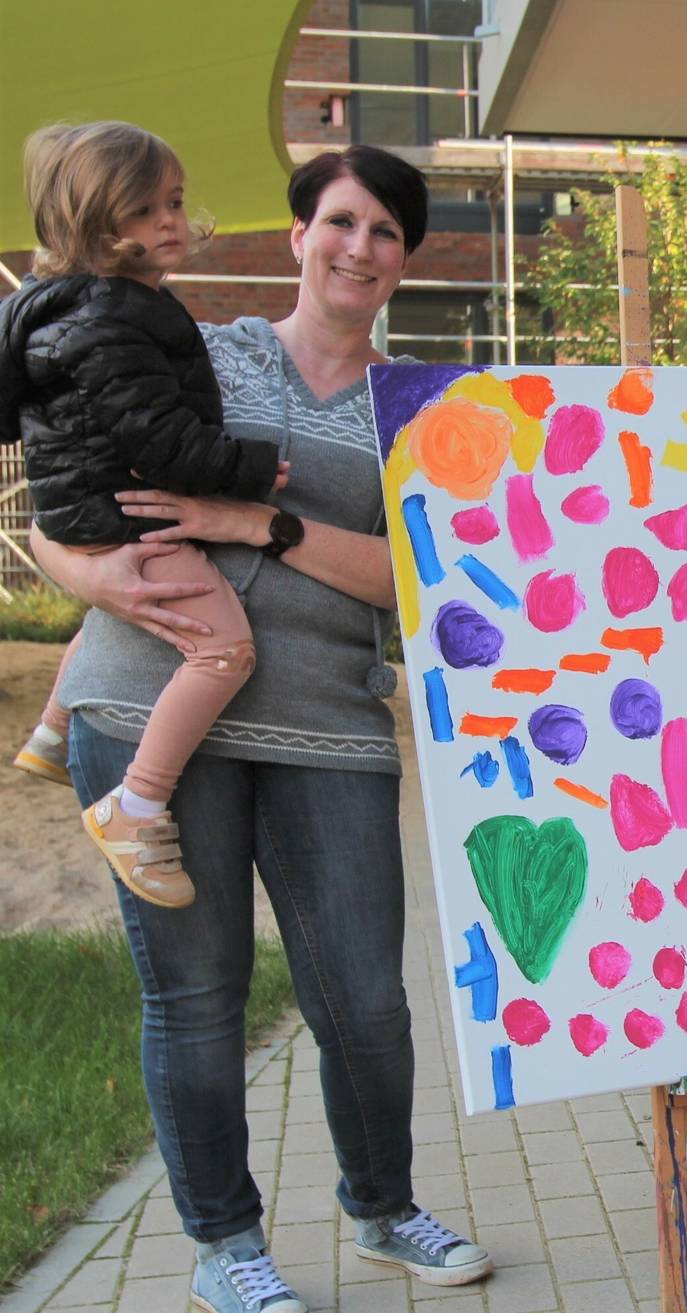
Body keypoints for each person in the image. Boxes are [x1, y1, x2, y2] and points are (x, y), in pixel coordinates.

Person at [27, 145, 491, 1313]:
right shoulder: (200, 346)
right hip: (146, 703)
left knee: (366, 1001)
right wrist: (81, 572)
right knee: (197, 995)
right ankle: (225, 1243)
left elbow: (418, 582)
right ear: (298, 234)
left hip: (329, 726)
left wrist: (256, 520)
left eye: (386, 231)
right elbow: (59, 486)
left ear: (404, 258)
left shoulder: (418, 408)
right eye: (340, 220)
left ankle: (384, 1206)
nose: (359, 247)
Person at [2, 122, 288, 908]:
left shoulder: (69, 310)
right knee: (223, 650)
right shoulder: (111, 321)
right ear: (100, 226)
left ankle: (55, 727)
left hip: (86, 500)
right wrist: (251, 470)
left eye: (175, 202)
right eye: (148, 210)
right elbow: (157, 438)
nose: (172, 221)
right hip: (125, 507)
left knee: (130, 607)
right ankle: (135, 804)